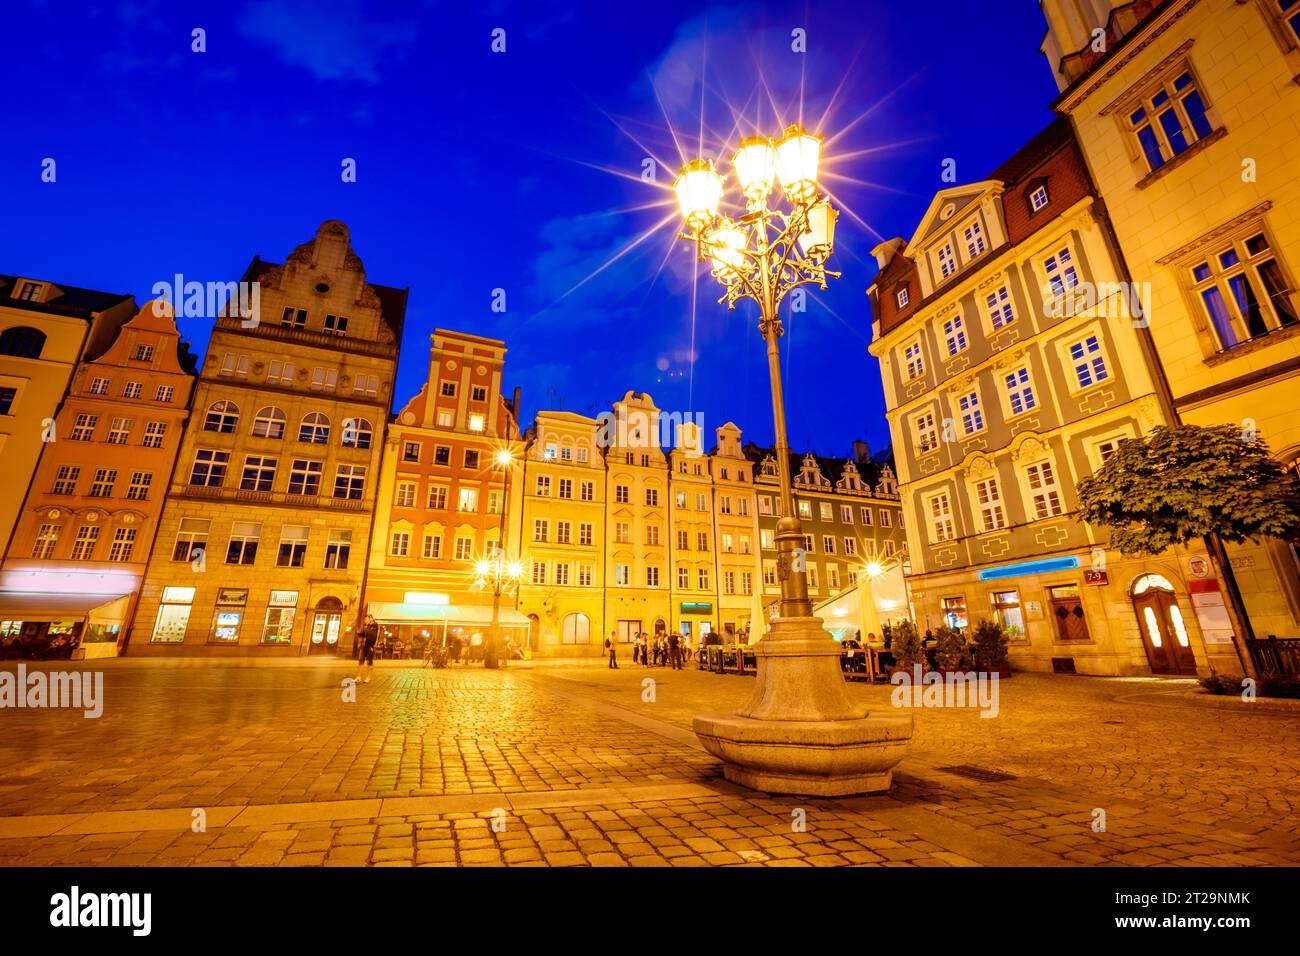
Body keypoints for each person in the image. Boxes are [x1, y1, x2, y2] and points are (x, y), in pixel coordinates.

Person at [355, 614, 379, 684]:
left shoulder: (375, 626)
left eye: (366, 619)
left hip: (370, 646)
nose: (365, 621)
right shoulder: (367, 626)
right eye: (365, 620)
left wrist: (363, 631)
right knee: (361, 661)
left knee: (369, 662)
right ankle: (358, 677)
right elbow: (364, 635)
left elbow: (371, 634)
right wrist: (358, 633)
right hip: (364, 646)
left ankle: (368, 677)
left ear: (371, 618)